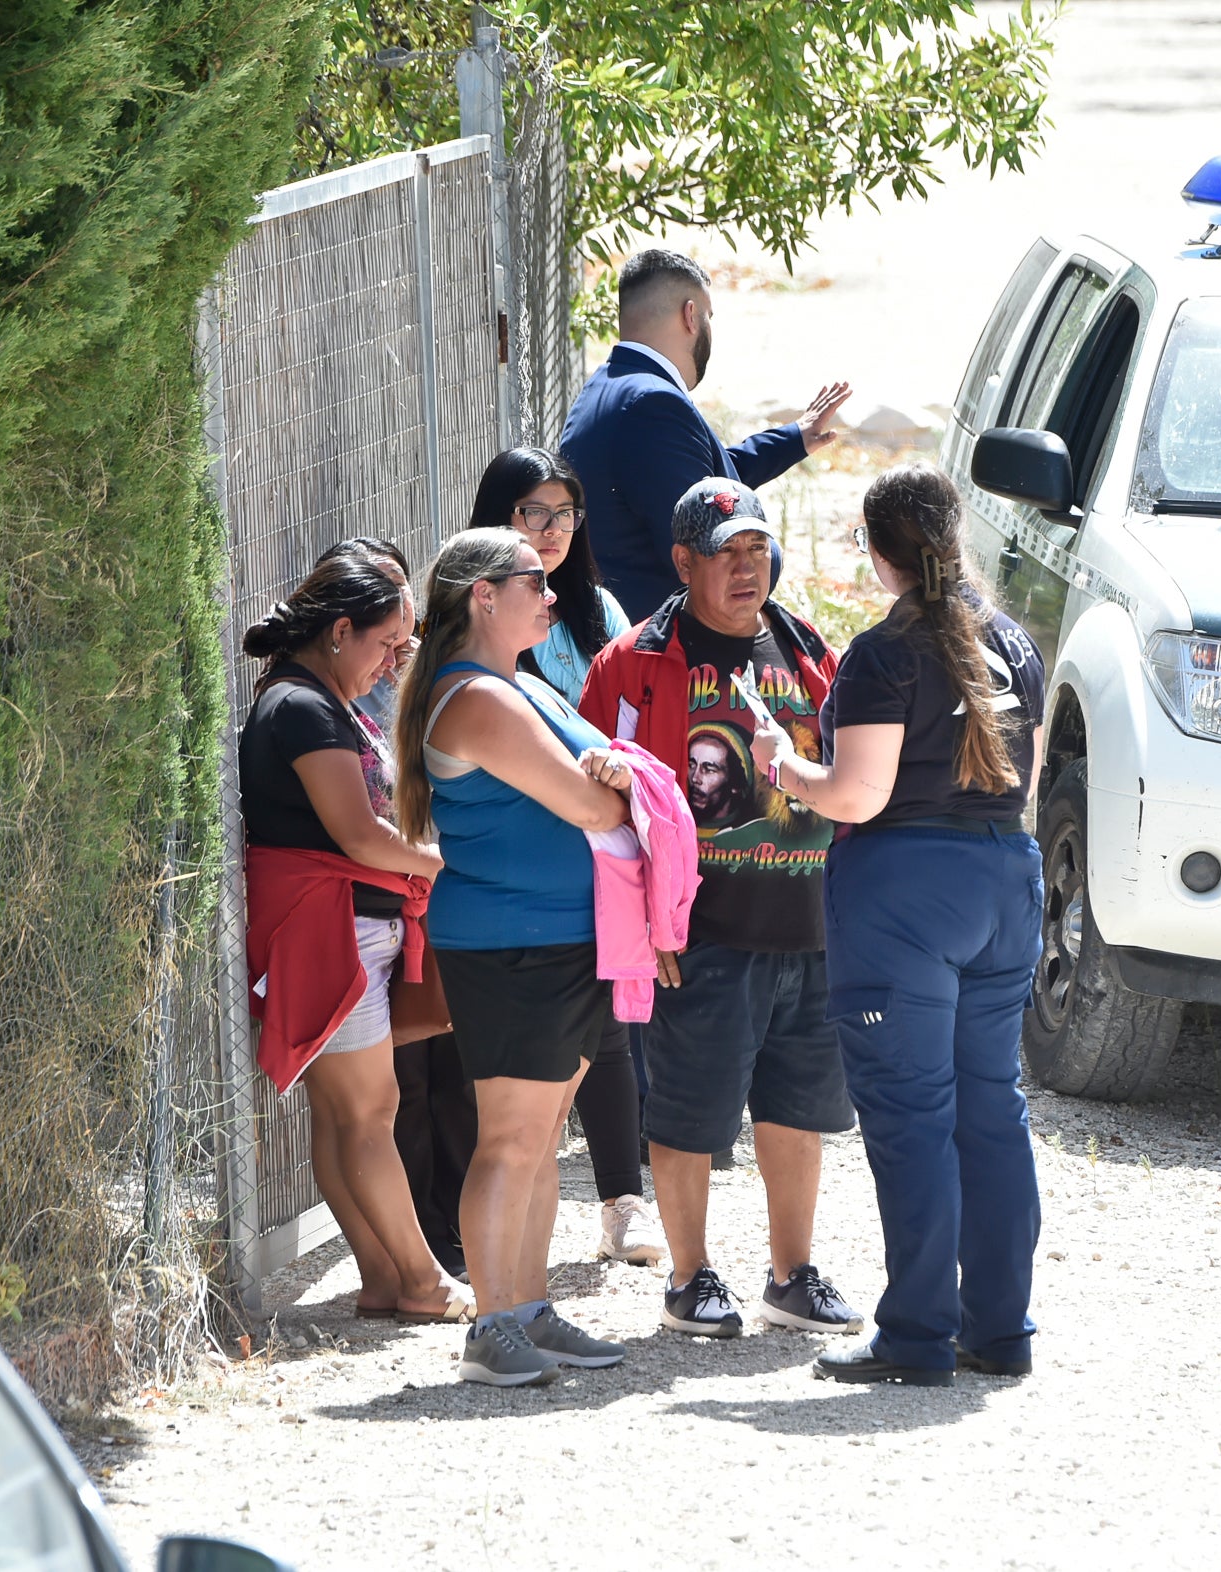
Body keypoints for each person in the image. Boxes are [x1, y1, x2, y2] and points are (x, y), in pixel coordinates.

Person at [748, 463, 1048, 1385]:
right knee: (990, 1108)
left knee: (914, 1118)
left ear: (879, 553)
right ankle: (999, 1329)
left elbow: (858, 795)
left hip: (908, 893)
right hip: (1004, 878)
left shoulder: (885, 652)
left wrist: (781, 762)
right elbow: (1024, 786)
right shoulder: (1016, 643)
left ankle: (916, 1335)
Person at [579, 477, 861, 1339]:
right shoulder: (633, 663)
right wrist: (643, 924)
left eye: (756, 549)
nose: (746, 569)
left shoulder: (807, 648)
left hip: (809, 928)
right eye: (725, 553)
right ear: (682, 561)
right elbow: (598, 806)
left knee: (798, 1108)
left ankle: (792, 1275)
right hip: (699, 936)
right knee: (689, 1114)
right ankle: (689, 1277)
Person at [393, 526, 636, 1387]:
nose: (553, 593)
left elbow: (609, 782)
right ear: (483, 596)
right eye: (536, 579)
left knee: (537, 1138)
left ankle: (528, 1309)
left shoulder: (513, 685)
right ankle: (491, 1325)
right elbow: (594, 807)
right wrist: (615, 788)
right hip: (513, 944)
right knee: (511, 1139)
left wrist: (616, 782)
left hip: (559, 939)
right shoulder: (479, 699)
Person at [238, 548, 469, 1326]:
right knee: (368, 1114)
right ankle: (424, 1281)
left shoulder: (310, 697)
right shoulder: (302, 707)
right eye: (386, 643)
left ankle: (384, 1281)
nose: (393, 661)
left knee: (347, 1117)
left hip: (338, 932)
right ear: (340, 631)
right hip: (331, 935)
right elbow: (360, 835)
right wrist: (449, 864)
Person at [468, 447, 664, 1271]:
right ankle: (499, 1281)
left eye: (566, 514)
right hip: (518, 867)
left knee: (604, 1036)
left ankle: (621, 1204)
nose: (553, 531)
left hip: (598, 860)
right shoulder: (474, 632)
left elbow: (628, 727)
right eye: (533, 513)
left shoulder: (597, 610)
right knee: (520, 1112)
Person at [559, 247, 853, 619]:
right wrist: (766, 554)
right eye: (708, 316)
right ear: (690, 315)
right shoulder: (653, 405)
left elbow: (703, 487)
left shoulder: (608, 385)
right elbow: (709, 553)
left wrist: (794, 439)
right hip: (659, 645)